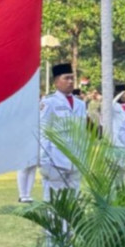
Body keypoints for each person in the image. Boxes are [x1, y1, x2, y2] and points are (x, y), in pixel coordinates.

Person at [39, 63, 87, 202]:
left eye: (72, 78)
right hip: (56, 159)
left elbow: (82, 132)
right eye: (66, 78)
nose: (71, 81)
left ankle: (70, 225)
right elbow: (43, 131)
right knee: (54, 201)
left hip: (75, 158)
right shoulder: (49, 103)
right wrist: (44, 160)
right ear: (56, 82)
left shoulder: (80, 104)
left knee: (73, 201)